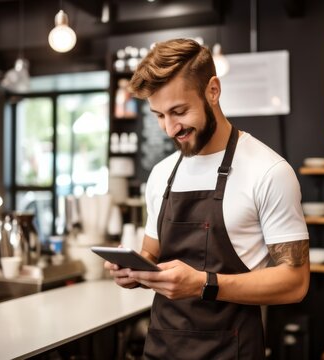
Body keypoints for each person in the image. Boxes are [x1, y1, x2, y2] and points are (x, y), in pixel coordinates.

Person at [105, 38, 309, 359]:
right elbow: (152, 253)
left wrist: (204, 284)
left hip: (231, 350)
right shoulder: (161, 173)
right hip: (162, 348)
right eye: (159, 115)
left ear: (212, 90)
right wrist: (133, 272)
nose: (170, 129)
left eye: (179, 111)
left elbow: (295, 282)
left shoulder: (269, 171)